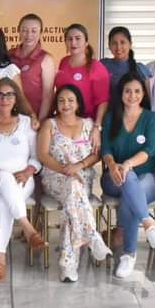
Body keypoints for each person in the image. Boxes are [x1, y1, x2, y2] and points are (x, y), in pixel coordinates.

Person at [0, 78, 46, 283]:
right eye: (0, 94)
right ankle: (27, 228)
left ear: (16, 99)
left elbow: (36, 157)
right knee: (4, 176)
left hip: (22, 178)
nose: (5, 99)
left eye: (9, 95)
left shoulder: (26, 123)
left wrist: (29, 170)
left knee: (2, 202)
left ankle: (0, 259)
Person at [38, 84, 111, 282]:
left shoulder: (88, 125)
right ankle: (91, 236)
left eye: (71, 100)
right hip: (55, 177)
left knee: (72, 202)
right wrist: (65, 169)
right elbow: (43, 155)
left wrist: (79, 165)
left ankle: (68, 264)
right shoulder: (49, 125)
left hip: (82, 177)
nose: (66, 104)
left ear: (78, 103)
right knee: (73, 188)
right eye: (61, 100)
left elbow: (96, 154)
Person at [101, 70, 155, 279]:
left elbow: (150, 150)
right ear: (121, 93)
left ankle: (129, 255)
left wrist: (128, 163)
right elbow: (105, 149)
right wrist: (113, 165)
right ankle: (148, 224)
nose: (132, 96)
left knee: (129, 194)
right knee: (128, 180)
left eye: (137, 91)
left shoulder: (151, 118)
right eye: (127, 91)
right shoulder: (111, 117)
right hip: (113, 178)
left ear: (143, 94)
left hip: (149, 178)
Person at [53, 23, 110, 124]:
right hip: (64, 119)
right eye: (69, 39)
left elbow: (103, 101)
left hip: (86, 122)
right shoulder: (63, 62)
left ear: (86, 42)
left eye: (78, 38)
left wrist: (97, 125)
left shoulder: (96, 67)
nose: (73, 42)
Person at [9, 13, 55, 120]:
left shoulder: (46, 59)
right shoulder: (9, 55)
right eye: (24, 30)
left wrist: (40, 122)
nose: (29, 35)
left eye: (34, 31)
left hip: (34, 118)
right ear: (19, 31)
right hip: (11, 117)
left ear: (40, 33)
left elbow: (47, 96)